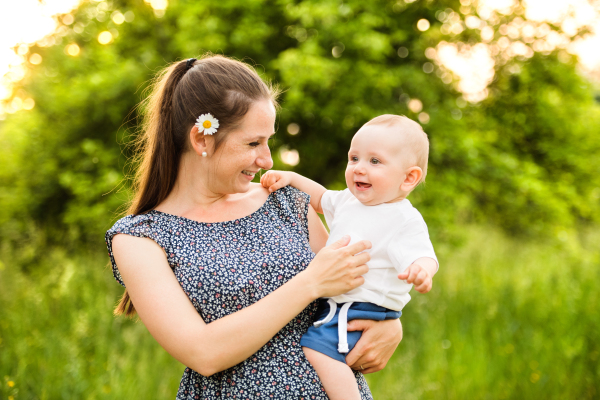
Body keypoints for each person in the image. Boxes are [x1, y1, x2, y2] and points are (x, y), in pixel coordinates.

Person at [105, 55, 403, 400]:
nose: (267, 160)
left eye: (268, 141)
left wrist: (389, 324)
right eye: (252, 143)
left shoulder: (285, 201)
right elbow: (204, 353)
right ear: (201, 140)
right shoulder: (140, 237)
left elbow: (351, 285)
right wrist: (309, 283)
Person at [260, 114, 439, 400]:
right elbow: (319, 198)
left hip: (363, 307)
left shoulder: (403, 218)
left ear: (409, 178)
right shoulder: (349, 201)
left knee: (319, 350)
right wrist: (292, 178)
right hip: (345, 303)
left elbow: (424, 254)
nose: (359, 169)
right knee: (324, 349)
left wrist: (421, 270)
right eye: (354, 158)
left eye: (375, 161)